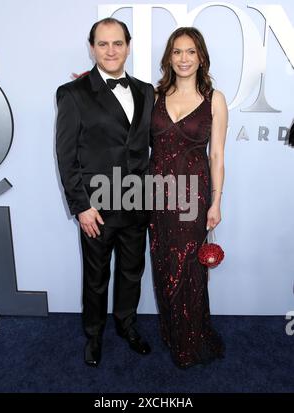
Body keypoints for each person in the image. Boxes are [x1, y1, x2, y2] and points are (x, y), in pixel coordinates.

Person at [56, 18, 154, 367]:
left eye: (117, 43)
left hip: (138, 203)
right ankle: (93, 336)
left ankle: (127, 326)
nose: (111, 50)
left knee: (132, 273)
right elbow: (66, 157)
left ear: (128, 46)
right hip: (96, 207)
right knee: (96, 278)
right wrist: (81, 206)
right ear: (92, 47)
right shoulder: (72, 94)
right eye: (103, 44)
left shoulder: (146, 91)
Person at [149, 27, 227, 368]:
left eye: (190, 52)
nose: (183, 58)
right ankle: (172, 331)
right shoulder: (153, 96)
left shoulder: (215, 99)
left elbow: (217, 156)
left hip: (193, 197)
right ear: (169, 57)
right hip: (155, 196)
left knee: (188, 269)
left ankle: (191, 340)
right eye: (177, 51)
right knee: (164, 265)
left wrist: (216, 201)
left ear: (201, 57)